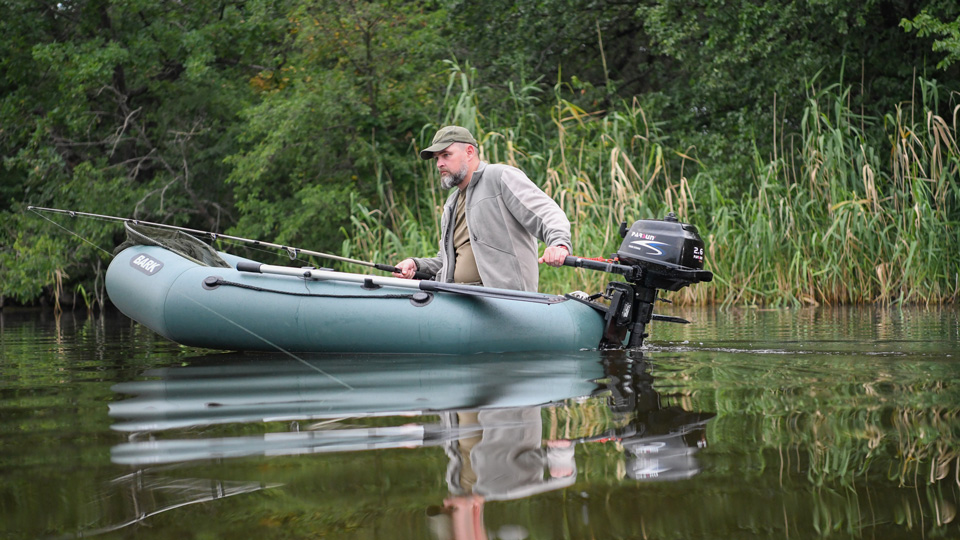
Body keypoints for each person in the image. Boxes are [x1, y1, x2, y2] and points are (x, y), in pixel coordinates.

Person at [393, 126, 571, 292]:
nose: (439, 163)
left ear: (469, 152)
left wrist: (559, 244)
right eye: (437, 158)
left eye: (446, 155)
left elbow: (547, 213)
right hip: (459, 299)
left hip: (504, 300)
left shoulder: (499, 176)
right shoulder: (452, 203)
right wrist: (416, 265)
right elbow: (447, 261)